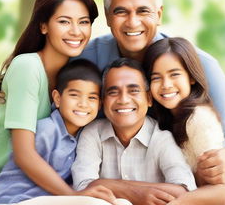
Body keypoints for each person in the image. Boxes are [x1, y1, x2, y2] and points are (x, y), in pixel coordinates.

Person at [76, 0, 225, 187]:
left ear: (159, 14)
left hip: (193, 186)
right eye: (121, 11)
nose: (132, 22)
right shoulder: (86, 61)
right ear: (107, 17)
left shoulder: (201, 66)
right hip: (118, 186)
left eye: (143, 10)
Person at [0, 0, 99, 195]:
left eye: (84, 22)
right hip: (0, 185)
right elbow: (24, 155)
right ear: (43, 25)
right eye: (64, 22)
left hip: (40, 187)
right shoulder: (27, 67)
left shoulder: (76, 74)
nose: (76, 31)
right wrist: (74, 198)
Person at [0, 59, 120, 205]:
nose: (83, 104)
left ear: (100, 104)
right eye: (74, 95)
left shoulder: (87, 137)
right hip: (12, 199)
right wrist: (73, 194)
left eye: (91, 98)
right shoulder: (47, 131)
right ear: (57, 98)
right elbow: (29, 165)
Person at [72, 58, 197, 205]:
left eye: (133, 91)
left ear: (149, 98)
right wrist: (138, 193)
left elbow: (183, 192)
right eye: (113, 92)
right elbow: (83, 187)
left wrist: (108, 185)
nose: (124, 100)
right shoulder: (93, 133)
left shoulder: (162, 138)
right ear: (103, 101)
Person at [143, 37, 225, 204]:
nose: (166, 85)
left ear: (191, 77)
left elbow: (221, 192)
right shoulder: (160, 118)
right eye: (156, 78)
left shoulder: (200, 119)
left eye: (174, 74)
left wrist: (175, 202)